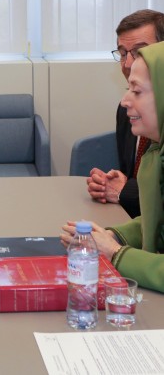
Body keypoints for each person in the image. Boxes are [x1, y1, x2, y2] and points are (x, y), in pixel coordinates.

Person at [62, 42, 164, 293]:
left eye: (137, 92)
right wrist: (113, 235)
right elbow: (158, 225)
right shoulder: (156, 154)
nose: (125, 100)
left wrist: (116, 252)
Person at [87, 9, 164, 218]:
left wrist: (125, 191)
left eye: (139, 53)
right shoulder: (126, 110)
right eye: (122, 53)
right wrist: (110, 186)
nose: (128, 64)